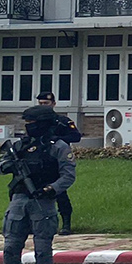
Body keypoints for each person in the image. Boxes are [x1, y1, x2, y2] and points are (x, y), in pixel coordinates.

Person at [0, 105, 76, 264]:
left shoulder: (59, 146)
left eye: (32, 124)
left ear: (43, 124)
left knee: (43, 250)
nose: (28, 127)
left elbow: (68, 175)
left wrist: (50, 189)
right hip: (19, 201)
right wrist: (7, 166)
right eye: (27, 124)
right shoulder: (20, 145)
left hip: (43, 203)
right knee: (11, 248)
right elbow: (1, 166)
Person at [36, 91, 81, 234]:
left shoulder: (62, 121)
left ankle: (66, 224)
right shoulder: (36, 121)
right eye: (41, 103)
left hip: (57, 158)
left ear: (53, 104)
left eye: (46, 103)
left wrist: (58, 138)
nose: (43, 106)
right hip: (40, 159)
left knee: (60, 192)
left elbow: (76, 136)